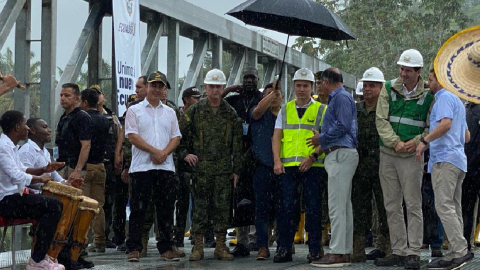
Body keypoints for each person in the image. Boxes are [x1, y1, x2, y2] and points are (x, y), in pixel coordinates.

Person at [374, 49, 433, 270]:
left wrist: (416, 140)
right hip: (389, 154)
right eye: (402, 69)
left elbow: (431, 125)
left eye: (408, 70)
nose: (403, 73)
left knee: (413, 203)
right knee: (391, 204)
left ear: (419, 71)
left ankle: (413, 251)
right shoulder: (388, 88)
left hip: (412, 156)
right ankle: (398, 250)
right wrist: (395, 142)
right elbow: (381, 120)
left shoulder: (430, 94)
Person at [179, 68, 243, 261]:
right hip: (201, 170)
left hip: (223, 170)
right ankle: (197, 247)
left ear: (223, 88)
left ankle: (220, 246)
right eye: (211, 86)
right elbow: (179, 137)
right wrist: (185, 154)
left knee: (222, 209)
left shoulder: (230, 113)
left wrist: (236, 170)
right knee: (199, 208)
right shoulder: (194, 111)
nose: (215, 90)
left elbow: (237, 145)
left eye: (218, 86)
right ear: (205, 87)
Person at [415, 69, 473, 269]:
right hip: (458, 160)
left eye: (430, 80)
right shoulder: (457, 100)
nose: (428, 83)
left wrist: (424, 141)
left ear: (439, 81)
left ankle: (460, 249)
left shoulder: (443, 99)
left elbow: (445, 124)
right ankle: (454, 252)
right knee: (454, 207)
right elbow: (466, 136)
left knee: (443, 206)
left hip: (445, 160)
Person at [125, 71, 182, 262]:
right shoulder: (135, 110)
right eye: (153, 85)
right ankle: (134, 247)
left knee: (165, 209)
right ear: (147, 86)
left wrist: (164, 153)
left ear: (164, 89)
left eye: (161, 86)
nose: (157, 89)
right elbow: (132, 136)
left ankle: (166, 248)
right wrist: (154, 151)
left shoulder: (170, 112)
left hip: (165, 167)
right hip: (142, 167)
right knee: (139, 209)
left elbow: (176, 137)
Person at [272, 68, 327, 263]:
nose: (301, 89)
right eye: (298, 85)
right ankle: (284, 249)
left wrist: (312, 157)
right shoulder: (285, 109)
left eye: (305, 85)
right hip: (288, 167)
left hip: (314, 166)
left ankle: (314, 249)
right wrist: (277, 161)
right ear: (293, 86)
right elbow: (277, 137)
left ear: (312, 87)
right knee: (287, 209)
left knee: (313, 209)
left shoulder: (321, 109)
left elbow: (325, 139)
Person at [0, 110, 65, 270]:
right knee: (53, 206)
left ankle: (42, 257)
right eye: (24, 125)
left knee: (53, 205)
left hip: (13, 198)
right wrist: (40, 178)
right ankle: (37, 260)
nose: (27, 129)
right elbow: (16, 176)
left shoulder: (10, 146)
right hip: (5, 201)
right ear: (16, 127)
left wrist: (44, 169)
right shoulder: (3, 147)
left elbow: (23, 168)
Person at [307, 67, 358, 268]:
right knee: (343, 206)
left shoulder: (340, 98)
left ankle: (337, 251)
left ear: (327, 82)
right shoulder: (339, 99)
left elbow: (343, 126)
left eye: (320, 82)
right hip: (340, 153)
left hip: (340, 153)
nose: (318, 86)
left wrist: (321, 138)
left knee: (337, 206)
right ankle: (344, 251)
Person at [350, 67, 390, 262]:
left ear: (381, 88)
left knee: (385, 207)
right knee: (359, 207)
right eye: (365, 85)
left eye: (372, 85)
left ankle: (388, 247)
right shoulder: (355, 109)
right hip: (360, 164)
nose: (367, 89)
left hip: (382, 163)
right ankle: (357, 248)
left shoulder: (387, 110)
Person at [223, 67, 263, 257]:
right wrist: (228, 89)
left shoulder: (262, 98)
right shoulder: (235, 99)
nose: (248, 81)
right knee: (240, 200)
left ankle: (258, 239)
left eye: (252, 78)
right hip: (238, 155)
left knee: (258, 197)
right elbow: (215, 102)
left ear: (257, 80)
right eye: (245, 78)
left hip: (257, 154)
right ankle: (242, 242)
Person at [249, 82, 283, 260]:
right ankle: (263, 245)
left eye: (277, 94)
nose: (274, 96)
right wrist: (271, 93)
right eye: (269, 94)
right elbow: (257, 111)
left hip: (284, 167)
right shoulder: (259, 113)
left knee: (284, 208)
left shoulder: (287, 114)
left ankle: (285, 243)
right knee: (261, 209)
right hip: (262, 166)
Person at [77, 88, 110, 253]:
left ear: (84, 102)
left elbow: (84, 144)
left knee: (83, 205)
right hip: (100, 166)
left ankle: (81, 241)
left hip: (85, 166)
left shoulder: (83, 119)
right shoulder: (105, 119)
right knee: (99, 205)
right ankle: (99, 241)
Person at [173, 86, 202, 248]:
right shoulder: (179, 117)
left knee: (202, 203)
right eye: (195, 98)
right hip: (182, 166)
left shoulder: (201, 116)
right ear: (186, 100)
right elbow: (174, 140)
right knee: (182, 203)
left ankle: (202, 235)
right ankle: (178, 236)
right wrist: (184, 154)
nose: (198, 101)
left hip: (199, 165)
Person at [56, 83, 92, 183]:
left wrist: (78, 169)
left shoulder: (82, 117)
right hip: (62, 166)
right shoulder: (64, 117)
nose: (62, 98)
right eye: (61, 95)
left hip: (73, 167)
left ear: (77, 99)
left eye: (67, 95)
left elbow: (86, 145)